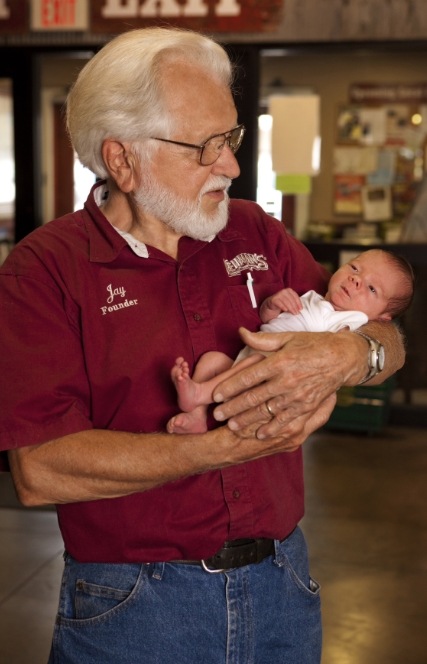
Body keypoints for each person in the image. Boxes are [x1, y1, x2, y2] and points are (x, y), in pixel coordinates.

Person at [0, 28, 405, 664]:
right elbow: (40, 470)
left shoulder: (252, 229)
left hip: (284, 580)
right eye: (206, 146)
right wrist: (224, 447)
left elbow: (379, 324)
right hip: (133, 603)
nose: (233, 166)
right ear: (123, 159)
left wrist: (354, 355)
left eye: (232, 138)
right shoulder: (45, 269)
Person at [167, 248, 414, 435]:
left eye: (372, 289)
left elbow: (341, 352)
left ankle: (198, 394)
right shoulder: (315, 297)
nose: (356, 280)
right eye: (354, 268)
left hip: (275, 375)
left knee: (251, 364)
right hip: (249, 354)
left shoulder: (352, 320)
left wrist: (345, 349)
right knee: (212, 360)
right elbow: (268, 321)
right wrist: (271, 305)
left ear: (383, 318)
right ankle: (196, 416)